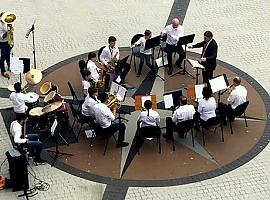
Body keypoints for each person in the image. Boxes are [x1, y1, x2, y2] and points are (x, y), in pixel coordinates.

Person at [0, 12, 11, 79]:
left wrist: (11, 30)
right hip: (2, 42)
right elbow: (2, 37)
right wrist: (8, 32)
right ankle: (3, 71)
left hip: (8, 41)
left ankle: (9, 65)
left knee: (8, 54)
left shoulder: (7, 22)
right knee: (2, 58)